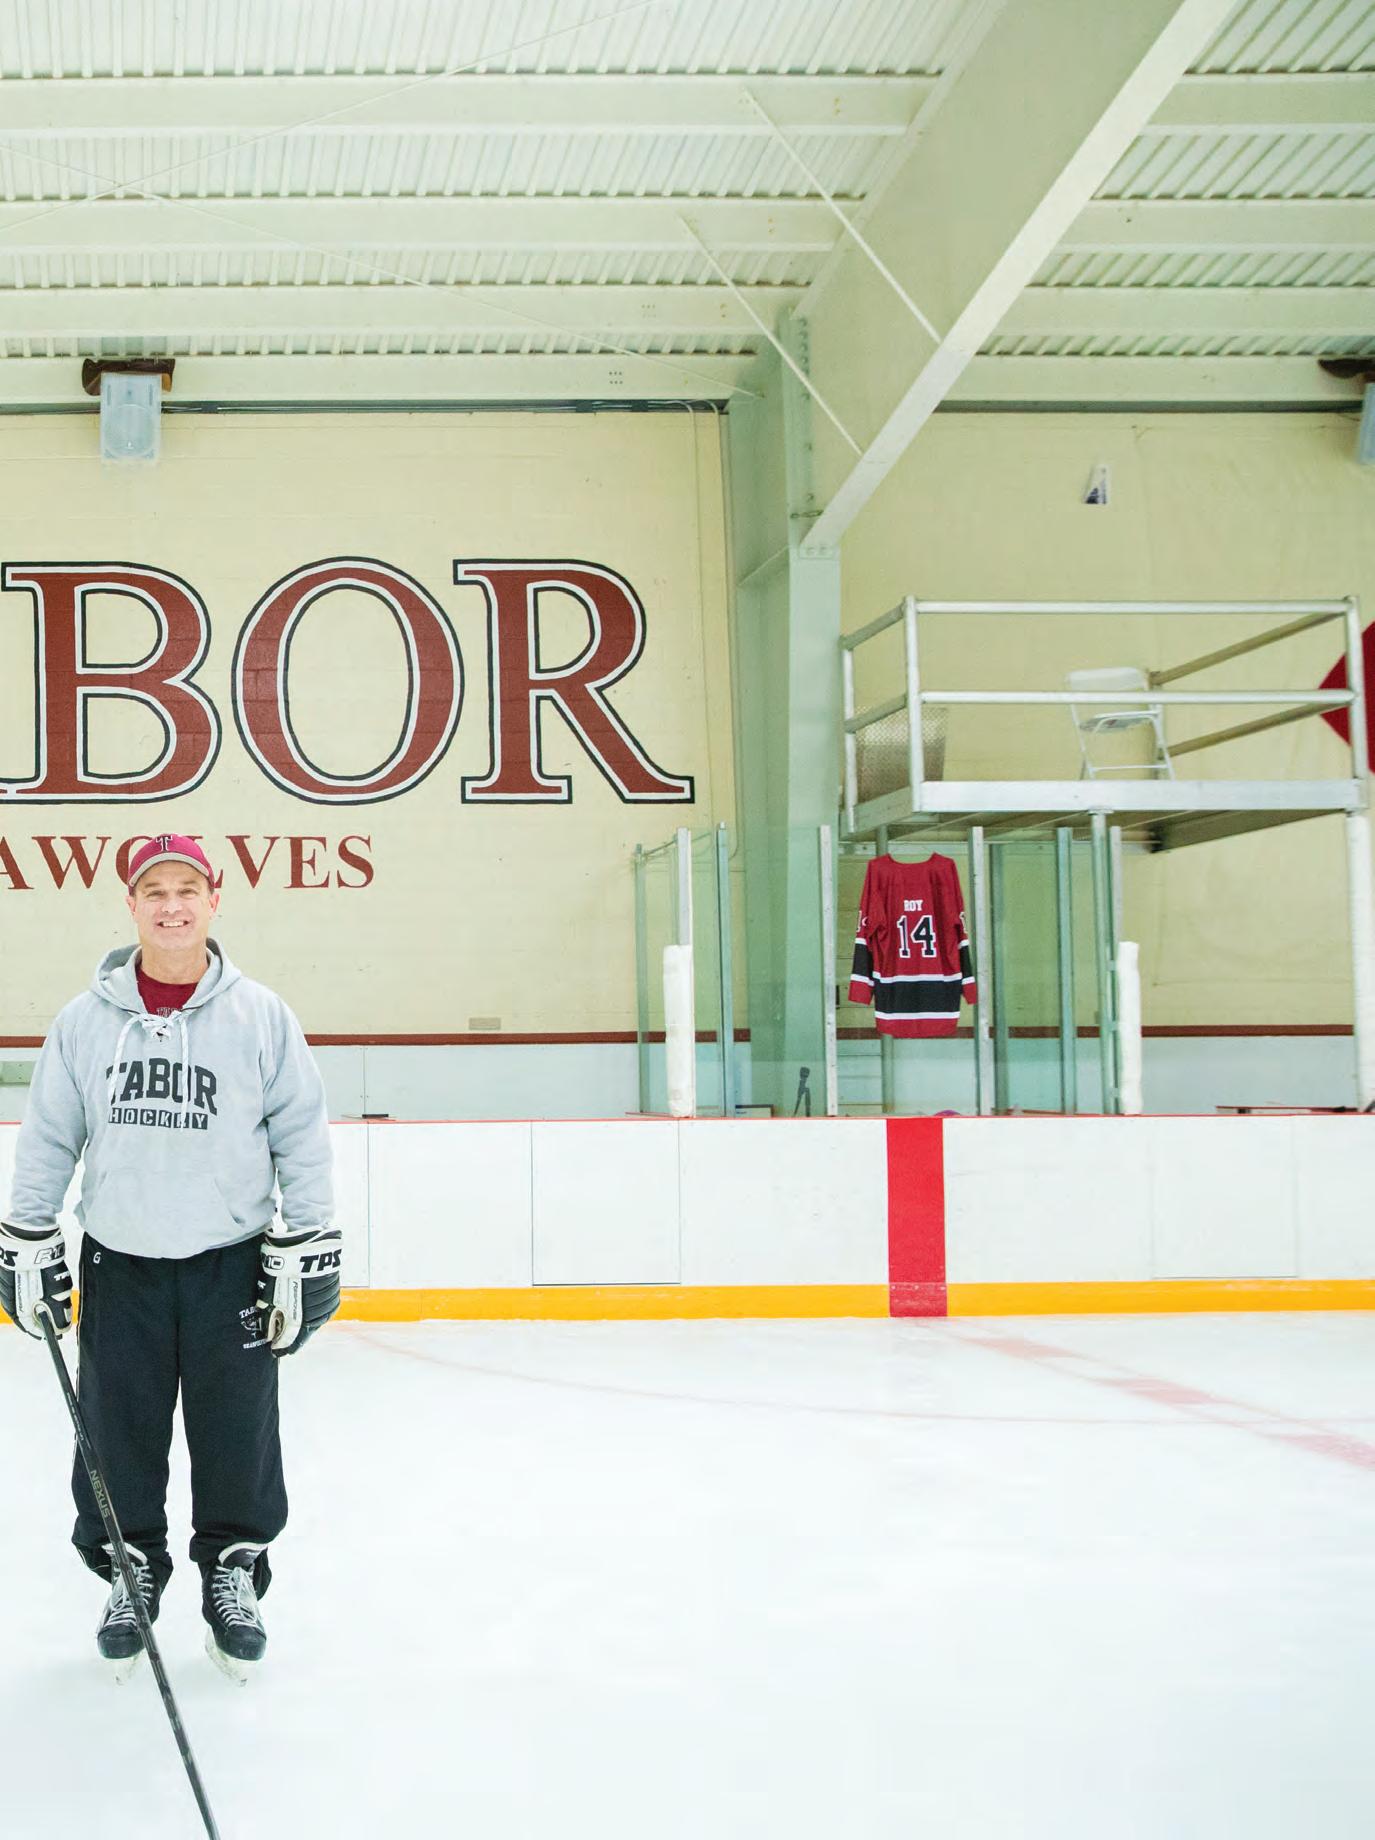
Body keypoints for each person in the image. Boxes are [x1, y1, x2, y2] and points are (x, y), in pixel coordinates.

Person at [0, 833, 339, 1682]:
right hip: (121, 1264)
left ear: (214, 900)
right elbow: (50, 1136)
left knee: (237, 1429)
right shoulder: (84, 1022)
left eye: (188, 889)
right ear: (132, 905)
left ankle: (233, 1570)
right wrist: (27, 1232)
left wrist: (312, 1239)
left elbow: (301, 1135)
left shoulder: (261, 1015)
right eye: (155, 891)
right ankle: (131, 1568)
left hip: (231, 1262)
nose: (172, 905)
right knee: (118, 1428)